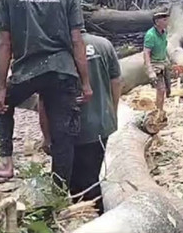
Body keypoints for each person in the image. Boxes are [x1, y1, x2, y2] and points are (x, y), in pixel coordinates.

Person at [0, 0, 92, 187]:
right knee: (63, 133)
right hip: (62, 71)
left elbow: (5, 43)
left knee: (0, 106)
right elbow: (77, 41)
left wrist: (1, 87)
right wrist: (85, 82)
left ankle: (6, 164)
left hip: (27, 70)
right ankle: (59, 190)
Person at [38, 31, 122, 214]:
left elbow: (43, 100)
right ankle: (97, 216)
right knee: (92, 177)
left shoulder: (53, 50)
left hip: (64, 129)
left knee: (66, 182)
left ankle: (86, 217)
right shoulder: (104, 44)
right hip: (100, 124)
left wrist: (46, 136)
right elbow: (116, 81)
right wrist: (112, 113)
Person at [144, 9, 171, 128]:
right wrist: (150, 70)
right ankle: (157, 114)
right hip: (155, 65)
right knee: (161, 90)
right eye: (164, 20)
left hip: (164, 63)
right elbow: (146, 53)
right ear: (157, 22)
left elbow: (165, 48)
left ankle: (160, 111)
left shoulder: (164, 32)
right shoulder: (150, 35)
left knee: (167, 90)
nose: (167, 22)